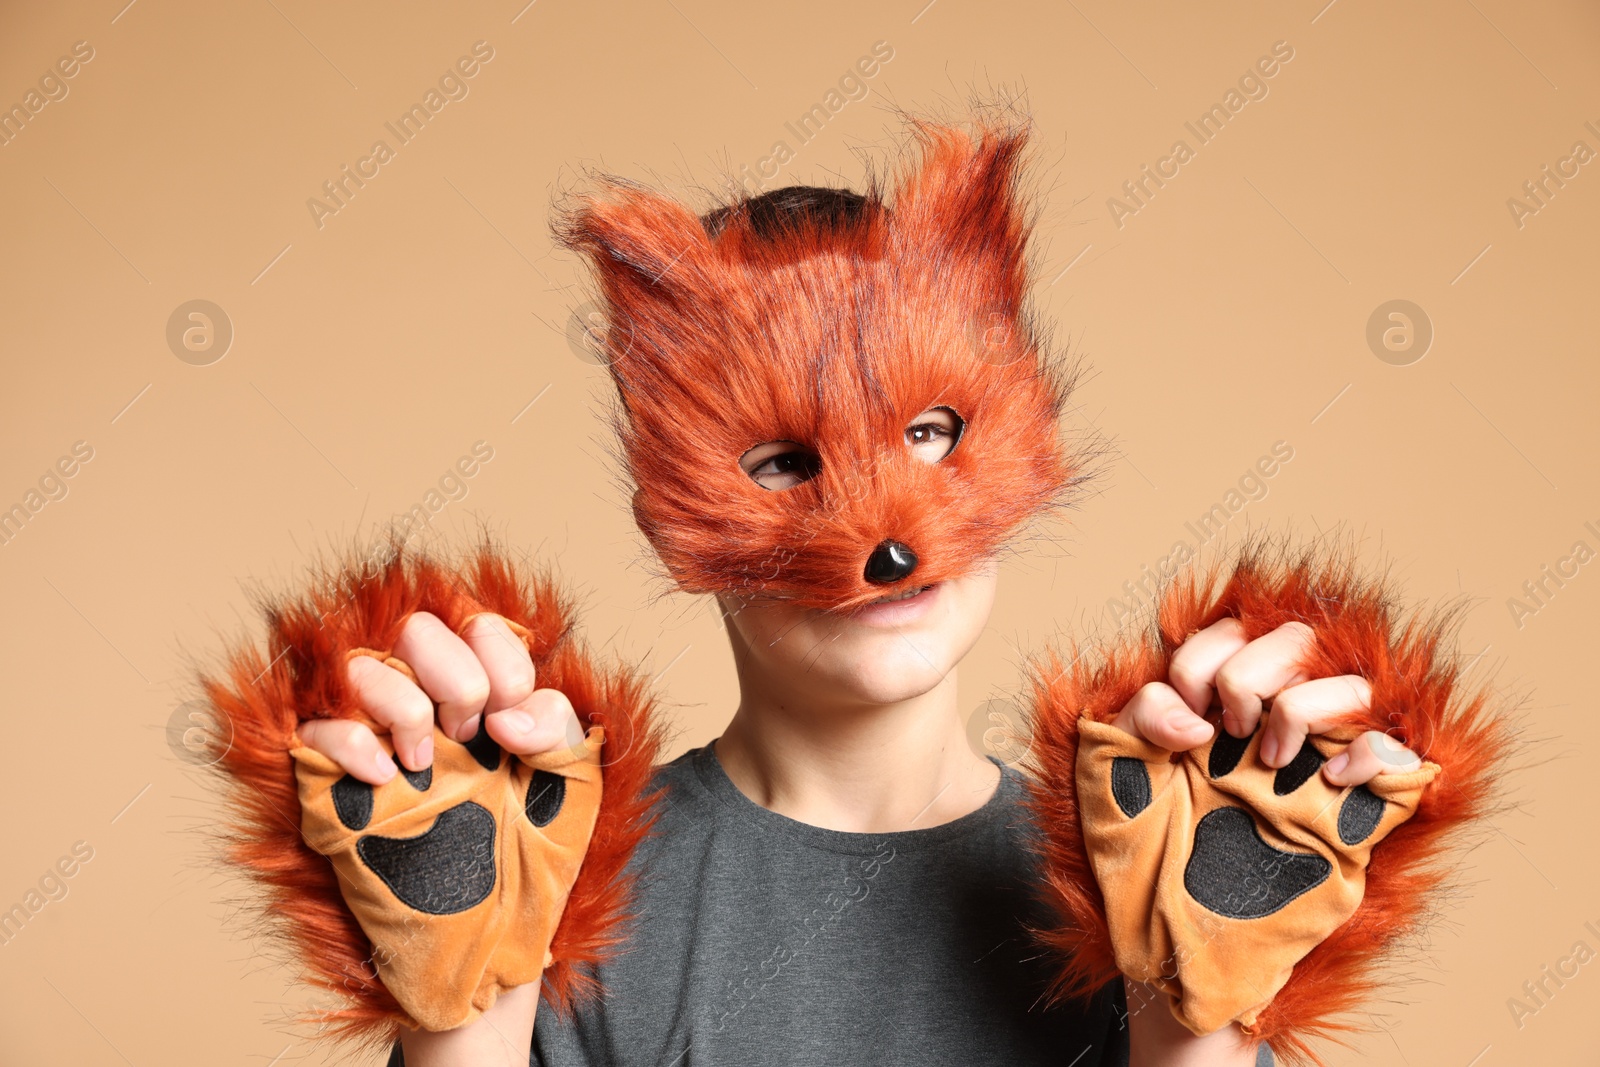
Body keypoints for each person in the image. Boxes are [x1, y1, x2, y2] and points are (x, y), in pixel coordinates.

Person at [213, 116, 1484, 1067]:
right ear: (670, 501)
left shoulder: (1150, 858)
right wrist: (463, 1014)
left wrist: (1193, 1008)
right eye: (781, 462)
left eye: (932, 430)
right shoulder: (544, 864)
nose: (883, 532)